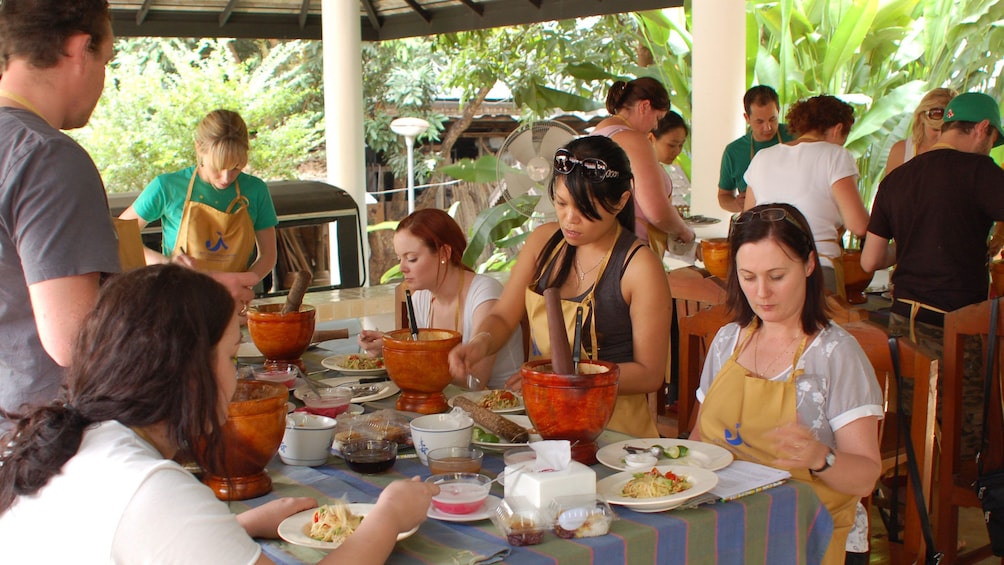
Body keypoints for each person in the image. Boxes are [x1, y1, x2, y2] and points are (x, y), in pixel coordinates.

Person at [0, 264, 437, 564]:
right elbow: (151, 515)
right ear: (192, 373)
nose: (236, 379)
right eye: (230, 357)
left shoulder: (76, 442)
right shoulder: (151, 489)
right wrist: (387, 517)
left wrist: (236, 528)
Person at [690, 203, 882, 565]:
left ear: (809, 265)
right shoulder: (727, 342)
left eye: (777, 276)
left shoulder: (836, 354)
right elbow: (699, 439)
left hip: (809, 537)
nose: (762, 292)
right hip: (728, 530)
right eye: (748, 277)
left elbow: (866, 478)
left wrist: (818, 457)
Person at [448, 136, 671, 438]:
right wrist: (480, 343)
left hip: (615, 432)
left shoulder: (639, 267)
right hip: (542, 419)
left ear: (620, 201)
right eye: (562, 203)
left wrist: (564, 375)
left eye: (586, 209)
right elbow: (503, 315)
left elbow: (649, 374)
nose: (570, 219)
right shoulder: (543, 242)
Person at [861, 91, 1004, 459]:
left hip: (903, 318)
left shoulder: (897, 178)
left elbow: (870, 260)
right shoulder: (981, 171)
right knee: (966, 429)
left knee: (912, 426)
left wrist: (910, 245)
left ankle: (914, 500)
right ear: (982, 129)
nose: (990, 149)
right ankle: (960, 501)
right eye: (992, 141)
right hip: (957, 322)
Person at [0, 0, 122, 427]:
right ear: (78, 48)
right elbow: (75, 338)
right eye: (106, 60)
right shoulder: (46, 157)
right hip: (38, 441)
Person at [358, 209, 524, 390]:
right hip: (450, 407)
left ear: (444, 253)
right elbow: (425, 357)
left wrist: (404, 354)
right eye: (400, 258)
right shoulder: (421, 298)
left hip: (501, 407)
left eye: (412, 258)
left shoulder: (484, 294)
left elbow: (473, 380)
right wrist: (391, 346)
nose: (402, 268)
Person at [119, 109, 278, 287]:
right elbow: (120, 236)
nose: (226, 178)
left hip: (236, 298)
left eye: (236, 167)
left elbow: (268, 255)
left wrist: (243, 281)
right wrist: (166, 264)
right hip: (179, 298)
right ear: (198, 148)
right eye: (217, 167)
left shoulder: (256, 190)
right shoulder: (167, 187)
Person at [743, 95, 870, 295]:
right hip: (816, 267)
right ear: (838, 129)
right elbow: (859, 225)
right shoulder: (835, 155)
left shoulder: (762, 157)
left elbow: (748, 219)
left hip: (766, 271)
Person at [591, 77, 694, 254]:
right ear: (644, 106)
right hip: (628, 250)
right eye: (657, 118)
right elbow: (656, 211)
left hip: (600, 245)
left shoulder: (598, 132)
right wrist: (684, 231)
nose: (655, 126)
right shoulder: (634, 139)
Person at [717, 85, 795, 213]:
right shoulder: (733, 151)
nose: (768, 127)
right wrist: (736, 203)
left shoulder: (795, 135)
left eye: (772, 119)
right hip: (756, 222)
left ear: (779, 111)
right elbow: (723, 196)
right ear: (746, 118)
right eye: (760, 121)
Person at [883, 87, 958, 176]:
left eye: (947, 130)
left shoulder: (963, 152)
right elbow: (890, 189)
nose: (940, 135)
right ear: (921, 118)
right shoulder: (902, 151)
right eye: (935, 129)